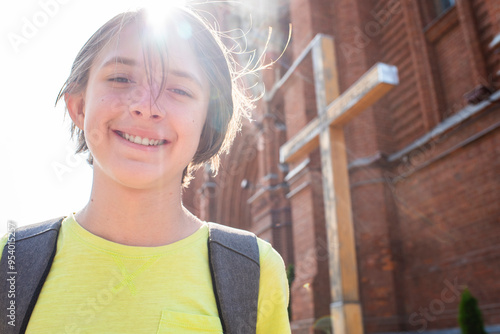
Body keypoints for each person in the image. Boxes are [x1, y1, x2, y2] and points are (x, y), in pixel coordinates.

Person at [0, 5, 291, 333]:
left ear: (208, 123)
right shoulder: (9, 262)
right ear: (79, 107)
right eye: (121, 78)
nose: (145, 106)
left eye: (179, 89)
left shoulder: (253, 270)